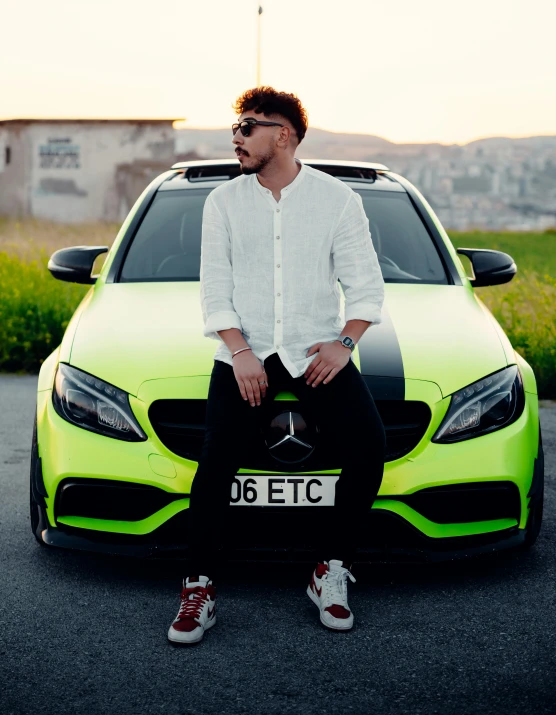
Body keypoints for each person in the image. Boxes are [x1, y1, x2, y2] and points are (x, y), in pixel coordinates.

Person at [168, 86, 386, 645]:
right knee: (216, 461)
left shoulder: (337, 200)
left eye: (246, 127)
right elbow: (214, 289)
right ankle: (199, 585)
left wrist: (345, 342)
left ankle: (328, 568)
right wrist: (240, 351)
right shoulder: (223, 202)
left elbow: (364, 285)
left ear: (282, 134)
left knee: (368, 447)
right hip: (246, 351)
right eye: (235, 128)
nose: (235, 137)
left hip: (317, 352)